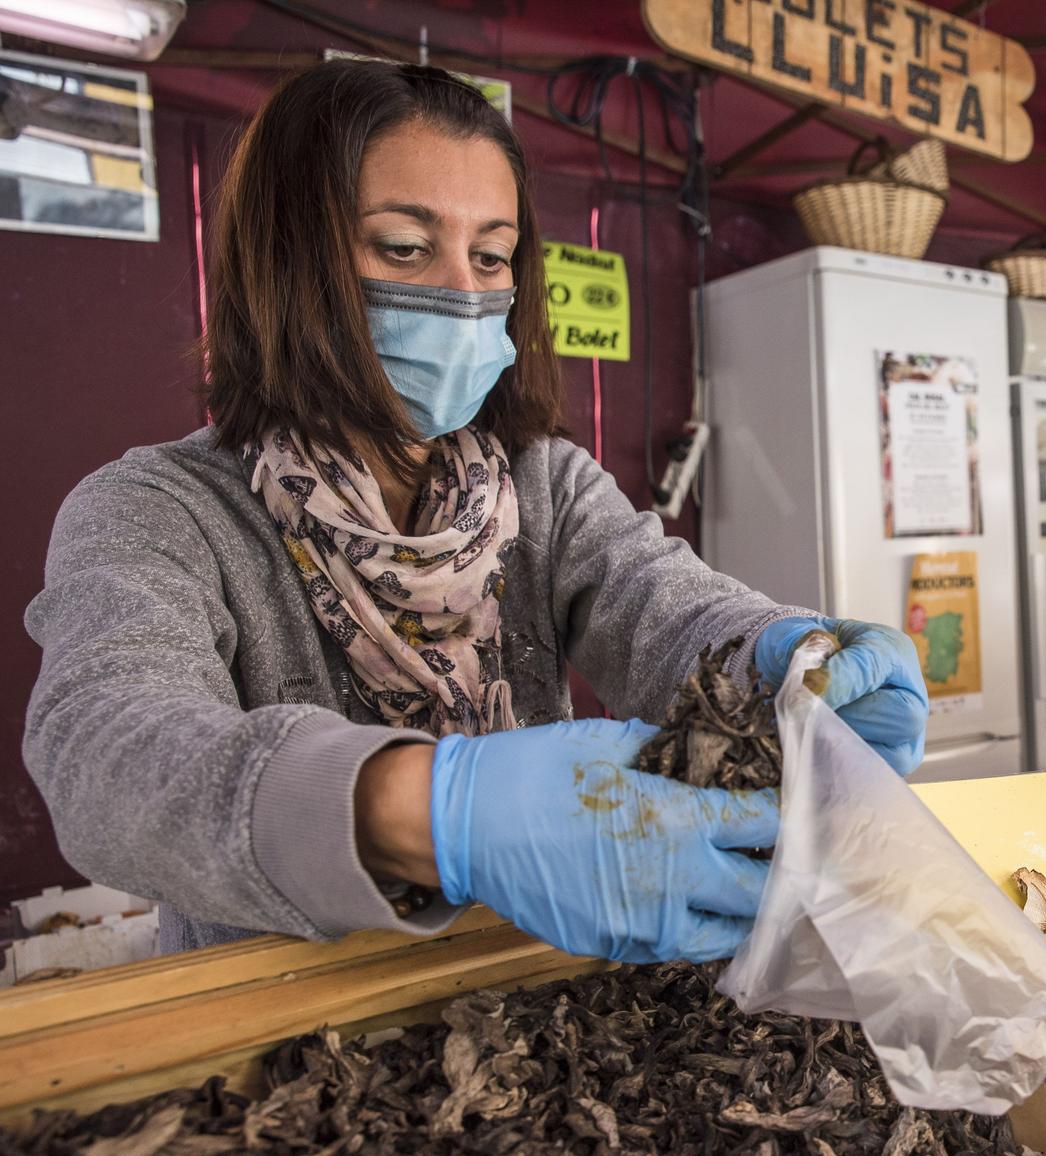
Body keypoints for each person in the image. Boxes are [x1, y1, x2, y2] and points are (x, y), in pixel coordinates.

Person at [22, 62, 927, 965]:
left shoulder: (543, 484)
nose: (462, 292)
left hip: (519, 981)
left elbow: (663, 607)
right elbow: (106, 752)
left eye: (491, 256)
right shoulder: (156, 509)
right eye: (405, 248)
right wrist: (436, 809)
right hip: (275, 1021)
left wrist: (789, 658)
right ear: (290, 264)